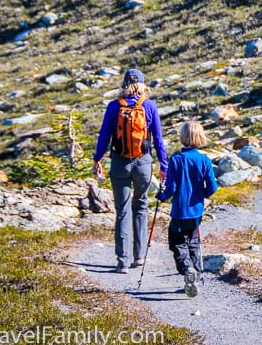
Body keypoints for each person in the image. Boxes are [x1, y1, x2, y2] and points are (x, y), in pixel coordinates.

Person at [93, 69, 168, 274]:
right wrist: (164, 166)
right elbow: (158, 140)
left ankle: (122, 261)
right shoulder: (149, 106)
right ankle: (140, 256)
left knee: (122, 210)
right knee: (141, 206)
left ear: (124, 84)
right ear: (143, 85)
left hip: (119, 163)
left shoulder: (114, 106)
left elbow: (104, 137)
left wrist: (97, 158)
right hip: (143, 163)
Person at [156, 120, 218, 297]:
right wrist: (202, 195)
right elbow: (213, 186)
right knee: (193, 242)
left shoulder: (176, 160)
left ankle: (187, 268)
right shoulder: (204, 160)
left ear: (183, 137)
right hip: (197, 211)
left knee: (177, 242)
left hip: (179, 211)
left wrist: (161, 196)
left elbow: (172, 188)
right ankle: (196, 277)